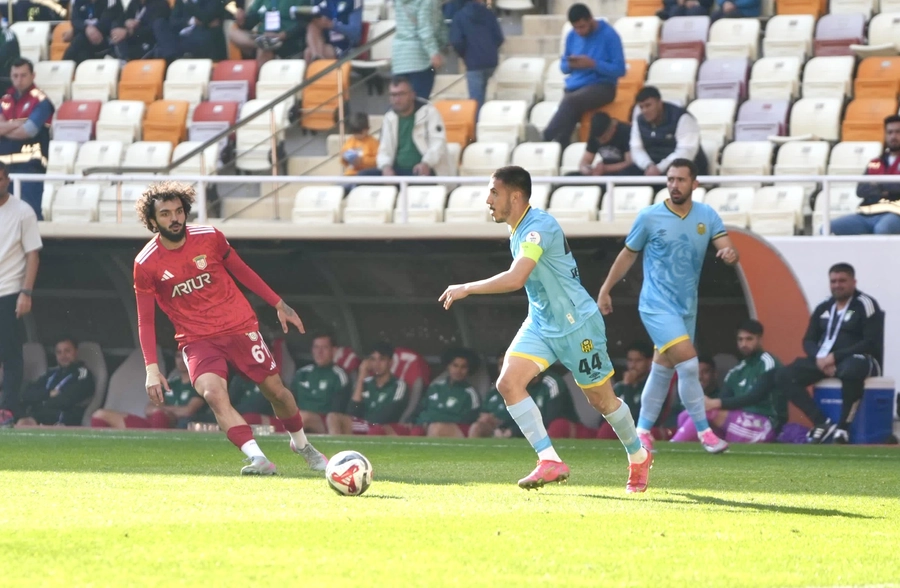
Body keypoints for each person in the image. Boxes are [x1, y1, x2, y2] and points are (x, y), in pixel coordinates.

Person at [440, 166, 652, 492]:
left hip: (577, 326)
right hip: (541, 323)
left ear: (515, 196)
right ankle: (549, 460)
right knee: (508, 383)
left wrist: (467, 287)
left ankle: (638, 456)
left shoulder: (538, 228)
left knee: (602, 401)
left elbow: (516, 278)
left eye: (494, 192)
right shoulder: (518, 229)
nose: (488, 200)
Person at [133, 181, 327, 475]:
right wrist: (151, 369)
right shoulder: (146, 264)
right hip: (197, 339)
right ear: (152, 220)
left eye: (179, 211)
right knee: (213, 394)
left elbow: (242, 271)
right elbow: (145, 320)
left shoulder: (209, 237)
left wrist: (278, 304)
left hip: (239, 326)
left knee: (276, 392)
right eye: (165, 214)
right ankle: (258, 458)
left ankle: (302, 445)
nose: (174, 218)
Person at [598, 158, 739, 455]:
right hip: (655, 305)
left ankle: (642, 432)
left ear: (694, 184)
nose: (674, 185)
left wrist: (729, 254)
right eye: (670, 179)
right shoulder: (649, 216)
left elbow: (727, 247)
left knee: (662, 370)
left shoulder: (707, 215)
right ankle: (705, 432)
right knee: (689, 364)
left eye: (681, 180)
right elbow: (627, 254)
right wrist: (605, 289)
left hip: (686, 307)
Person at [773, 263, 883, 444]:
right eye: (833, 281)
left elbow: (870, 342)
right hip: (823, 361)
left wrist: (836, 357)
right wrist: (819, 358)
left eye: (842, 281)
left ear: (853, 282)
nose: (837, 285)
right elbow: (808, 340)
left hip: (857, 359)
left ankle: (843, 428)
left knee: (851, 368)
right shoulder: (824, 307)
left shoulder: (864, 304)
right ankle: (821, 422)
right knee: (783, 375)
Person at [672, 320, 783, 444]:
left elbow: (754, 396)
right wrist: (707, 403)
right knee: (686, 414)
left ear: (760, 339)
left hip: (765, 424)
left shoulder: (768, 362)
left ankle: (674, 445)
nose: (744, 344)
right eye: (740, 339)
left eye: (749, 339)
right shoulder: (736, 371)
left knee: (708, 412)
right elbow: (724, 399)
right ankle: (684, 448)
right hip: (739, 421)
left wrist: (714, 403)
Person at [543, 3, 625, 148]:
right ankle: (559, 149)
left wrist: (593, 64)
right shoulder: (572, 35)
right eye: (576, 27)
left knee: (570, 101)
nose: (579, 31)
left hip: (602, 86)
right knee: (566, 123)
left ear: (591, 19)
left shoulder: (609, 35)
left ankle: (545, 137)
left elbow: (620, 69)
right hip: (576, 85)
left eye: (582, 27)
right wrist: (571, 64)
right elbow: (563, 66)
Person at [0, 161, 40, 427]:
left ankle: (7, 409)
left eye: (0, 179)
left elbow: (32, 254)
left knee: (10, 353)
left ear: (7, 180)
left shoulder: (23, 211)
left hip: (8, 291)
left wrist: (26, 292)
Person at [361, 76, 449, 177]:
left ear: (412, 95)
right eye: (393, 95)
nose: (397, 99)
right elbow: (384, 149)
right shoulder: (389, 117)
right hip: (396, 172)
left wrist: (426, 163)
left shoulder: (429, 112)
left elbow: (438, 144)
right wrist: (386, 167)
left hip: (425, 170)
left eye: (401, 94)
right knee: (363, 176)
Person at [0, 58, 55, 219]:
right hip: (4, 169)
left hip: (30, 167)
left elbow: (27, 131)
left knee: (29, 215)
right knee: (5, 217)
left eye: (23, 75)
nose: (19, 80)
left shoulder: (41, 101)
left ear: (33, 75)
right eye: (15, 75)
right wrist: (18, 123)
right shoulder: (5, 99)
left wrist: (5, 127)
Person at [829, 115, 900, 236]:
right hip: (867, 213)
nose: (893, 136)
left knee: (882, 229)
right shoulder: (875, 162)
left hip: (895, 214)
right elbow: (860, 190)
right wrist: (888, 189)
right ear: (885, 135)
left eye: (898, 132)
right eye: (890, 132)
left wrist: (877, 185)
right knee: (827, 228)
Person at [91, 353, 205, 428]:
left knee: (160, 415)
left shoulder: (199, 383)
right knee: (100, 414)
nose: (181, 360)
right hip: (153, 424)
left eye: (185, 356)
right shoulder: (169, 383)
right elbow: (149, 409)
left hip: (178, 426)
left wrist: (163, 410)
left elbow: (188, 411)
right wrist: (162, 410)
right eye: (178, 356)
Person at [16, 337, 95, 427]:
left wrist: (39, 401)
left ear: (76, 352)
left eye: (67, 351)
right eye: (59, 352)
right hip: (40, 413)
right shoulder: (52, 373)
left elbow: (67, 399)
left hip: (64, 417)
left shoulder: (83, 373)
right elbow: (26, 393)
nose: (63, 356)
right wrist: (48, 394)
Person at [630, 86, 707, 177]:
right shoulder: (639, 120)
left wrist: (660, 168)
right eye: (641, 107)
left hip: (684, 168)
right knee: (624, 176)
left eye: (648, 105)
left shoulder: (682, 118)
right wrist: (648, 165)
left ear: (660, 103)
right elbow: (636, 148)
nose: (644, 110)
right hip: (651, 167)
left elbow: (686, 151)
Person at [290, 332, 352, 434]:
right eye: (316, 347)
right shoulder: (301, 373)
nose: (319, 352)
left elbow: (338, 410)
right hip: (300, 419)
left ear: (334, 350)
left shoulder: (339, 375)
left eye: (324, 348)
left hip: (325, 422)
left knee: (301, 417)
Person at [413, 347, 481, 437]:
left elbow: (469, 419)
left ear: (469, 370)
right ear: (448, 366)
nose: (458, 370)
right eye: (455, 365)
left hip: (452, 430)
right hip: (426, 426)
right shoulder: (435, 387)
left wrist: (435, 421)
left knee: (436, 428)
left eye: (463, 367)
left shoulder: (470, 393)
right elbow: (421, 409)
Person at [449, 0, 504, 110]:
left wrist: (464, 55)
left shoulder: (459, 16)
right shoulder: (489, 14)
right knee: (481, 95)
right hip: (491, 61)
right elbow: (499, 38)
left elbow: (456, 41)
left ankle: (477, 120)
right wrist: (490, 49)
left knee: (475, 102)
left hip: (473, 62)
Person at [348, 341, 410, 435]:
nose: (377, 364)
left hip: (382, 429)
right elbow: (353, 411)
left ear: (390, 362)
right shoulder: (365, 383)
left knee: (374, 430)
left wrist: (364, 423)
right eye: (373, 359)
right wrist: (361, 378)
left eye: (382, 359)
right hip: (362, 426)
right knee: (333, 417)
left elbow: (389, 415)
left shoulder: (399, 385)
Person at [391, 0, 446, 99]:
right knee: (419, 102)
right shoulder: (428, 2)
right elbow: (426, 29)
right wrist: (434, 52)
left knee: (401, 102)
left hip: (400, 59)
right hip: (420, 59)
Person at [228, 0, 307, 64]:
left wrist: (283, 35)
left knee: (265, 48)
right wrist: (242, 19)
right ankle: (264, 42)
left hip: (288, 38)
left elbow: (305, 23)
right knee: (233, 32)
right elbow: (250, 22)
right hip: (262, 38)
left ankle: (265, 43)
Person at [569, 112, 640, 177]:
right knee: (570, 176)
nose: (601, 142)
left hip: (622, 171)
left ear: (612, 128)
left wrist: (606, 168)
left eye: (604, 138)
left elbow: (629, 162)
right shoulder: (595, 135)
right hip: (603, 171)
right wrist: (586, 169)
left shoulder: (625, 131)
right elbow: (585, 160)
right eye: (598, 140)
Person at [155, 0, 228, 62]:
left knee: (201, 37)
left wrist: (188, 2)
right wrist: (190, 21)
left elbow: (206, 17)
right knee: (159, 23)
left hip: (202, 36)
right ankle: (173, 58)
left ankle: (175, 57)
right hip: (181, 35)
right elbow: (173, 21)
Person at [64, 0, 125, 64]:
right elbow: (75, 20)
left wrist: (76, 31)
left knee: (80, 38)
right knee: (81, 54)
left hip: (107, 39)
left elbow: (104, 24)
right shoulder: (78, 1)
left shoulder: (111, 1)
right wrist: (86, 28)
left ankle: (64, 64)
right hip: (86, 42)